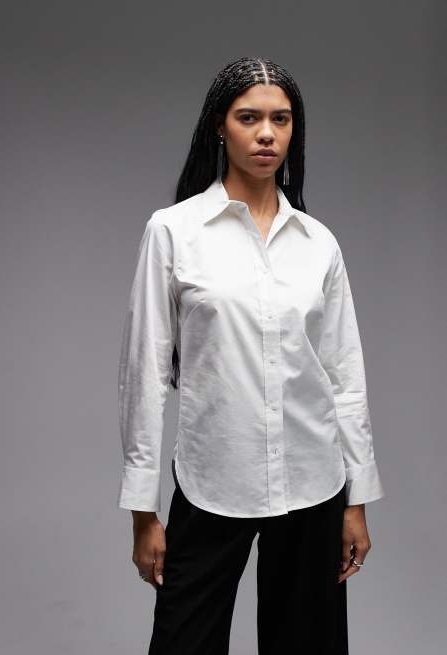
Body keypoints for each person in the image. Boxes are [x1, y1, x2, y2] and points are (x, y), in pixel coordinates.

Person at [116, 56, 385, 654]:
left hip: (314, 484)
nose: (267, 134)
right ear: (219, 126)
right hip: (212, 480)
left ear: (294, 130)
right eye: (249, 118)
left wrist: (357, 500)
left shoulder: (319, 244)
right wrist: (143, 509)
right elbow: (145, 372)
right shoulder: (173, 232)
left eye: (280, 119)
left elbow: (344, 376)